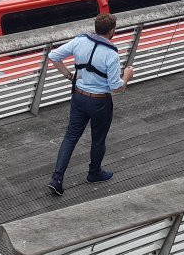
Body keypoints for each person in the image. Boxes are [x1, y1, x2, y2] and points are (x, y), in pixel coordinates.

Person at [46, 13, 134, 196]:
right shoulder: (111, 54)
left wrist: (70, 76)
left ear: (95, 28)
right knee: (98, 139)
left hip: (79, 96)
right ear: (112, 31)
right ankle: (94, 173)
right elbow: (116, 88)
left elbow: (53, 56)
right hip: (100, 102)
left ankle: (57, 178)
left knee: (70, 136)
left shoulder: (80, 41)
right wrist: (127, 76)